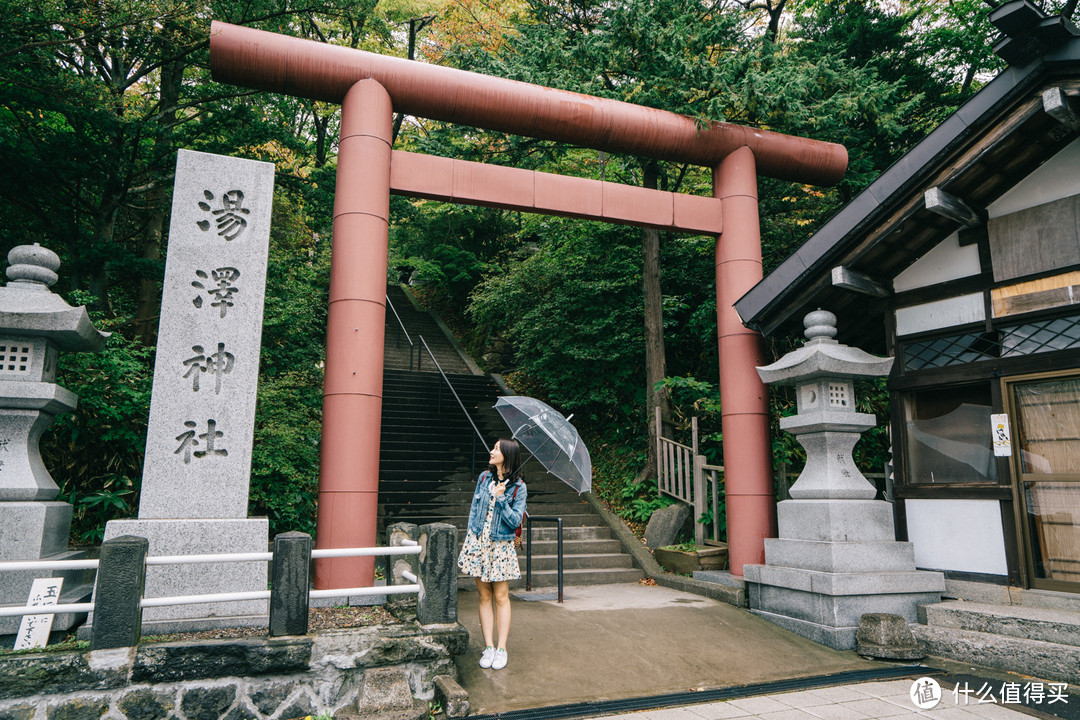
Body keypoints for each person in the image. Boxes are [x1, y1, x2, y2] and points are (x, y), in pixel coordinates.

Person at [457, 438, 527, 671]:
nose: (491, 451)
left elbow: (515, 520)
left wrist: (501, 498)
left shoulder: (519, 487)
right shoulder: (484, 478)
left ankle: (501, 648)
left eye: (496, 449)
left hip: (500, 546)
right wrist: (470, 537)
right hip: (479, 542)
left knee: (501, 596)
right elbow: (474, 509)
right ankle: (488, 647)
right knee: (484, 596)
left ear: (507, 455)